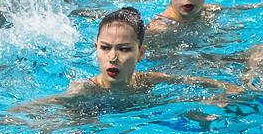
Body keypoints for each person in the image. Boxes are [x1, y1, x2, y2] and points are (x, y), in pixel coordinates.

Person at [15, 7, 242, 111]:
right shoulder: (85, 91)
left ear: (140, 53)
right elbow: (42, 105)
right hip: (86, 115)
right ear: (96, 48)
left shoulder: (146, 81)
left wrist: (226, 91)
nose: (112, 57)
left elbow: (191, 81)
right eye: (105, 48)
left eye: (123, 49)